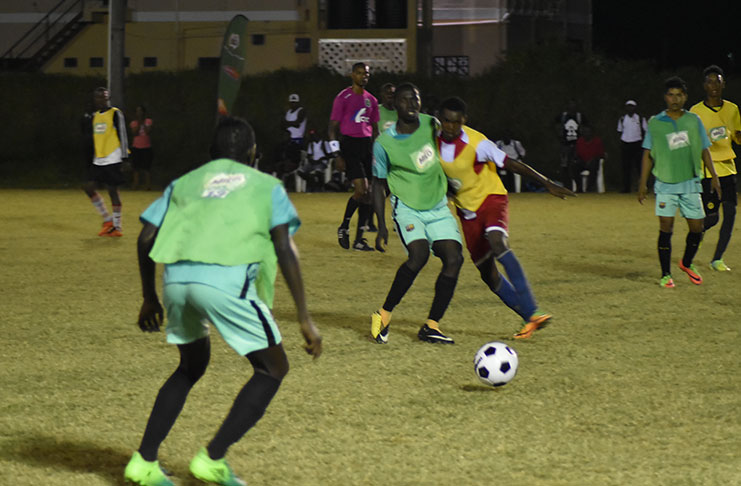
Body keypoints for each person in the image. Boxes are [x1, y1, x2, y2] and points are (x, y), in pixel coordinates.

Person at [124, 117, 322, 486]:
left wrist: (150, 298)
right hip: (225, 282)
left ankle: (143, 461)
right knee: (273, 368)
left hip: (177, 281)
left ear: (211, 153)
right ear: (253, 154)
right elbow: (283, 247)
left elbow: (145, 237)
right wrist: (305, 318)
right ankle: (212, 459)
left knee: (190, 366)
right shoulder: (266, 184)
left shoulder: (185, 182)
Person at [437, 96, 575, 339]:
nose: (449, 127)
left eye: (455, 122)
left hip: (492, 199)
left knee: (498, 242)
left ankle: (533, 309)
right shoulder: (433, 141)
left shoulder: (477, 143)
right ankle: (529, 318)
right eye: (445, 121)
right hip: (467, 212)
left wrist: (547, 183)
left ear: (464, 121)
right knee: (488, 275)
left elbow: (512, 164)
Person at [370, 82, 464, 345]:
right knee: (419, 256)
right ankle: (383, 315)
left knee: (454, 259)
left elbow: (452, 150)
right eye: (405, 100)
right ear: (394, 105)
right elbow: (377, 185)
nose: (411, 104)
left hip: (437, 207)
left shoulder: (432, 124)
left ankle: (431, 326)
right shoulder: (383, 144)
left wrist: (457, 186)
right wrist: (380, 226)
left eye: (416, 99)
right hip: (408, 208)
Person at [638, 76, 721, 288]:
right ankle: (666, 274)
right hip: (665, 183)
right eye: (670, 95)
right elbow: (647, 154)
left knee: (697, 228)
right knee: (666, 227)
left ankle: (686, 262)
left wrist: (714, 176)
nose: (674, 99)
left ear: (685, 97)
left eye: (679, 95)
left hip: (691, 182)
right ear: (665, 97)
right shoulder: (656, 123)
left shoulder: (694, 121)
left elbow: (704, 149)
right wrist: (642, 183)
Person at [689, 65, 741, 272]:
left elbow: (737, 135)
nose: (714, 86)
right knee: (712, 218)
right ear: (704, 85)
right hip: (707, 171)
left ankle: (717, 259)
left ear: (723, 84)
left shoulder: (732, 109)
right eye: (710, 81)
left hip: (728, 169)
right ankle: (696, 239)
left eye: (717, 81)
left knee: (730, 214)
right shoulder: (696, 111)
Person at [328, 62, 380, 251]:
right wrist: (337, 154)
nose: (363, 76)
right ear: (352, 75)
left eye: (366, 73)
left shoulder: (372, 100)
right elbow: (332, 128)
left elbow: (375, 130)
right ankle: (343, 226)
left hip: (367, 147)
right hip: (349, 145)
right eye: (359, 73)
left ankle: (359, 239)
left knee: (367, 195)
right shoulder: (343, 97)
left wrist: (377, 153)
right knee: (361, 189)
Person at [83, 86, 129, 237]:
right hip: (99, 159)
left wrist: (125, 158)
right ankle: (107, 220)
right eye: (97, 97)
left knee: (112, 191)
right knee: (88, 187)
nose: (100, 100)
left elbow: (123, 134)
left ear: (108, 97)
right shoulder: (95, 116)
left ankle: (117, 227)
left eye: (103, 97)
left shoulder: (115, 113)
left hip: (113, 157)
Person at [554, 99, 587, 187]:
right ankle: (567, 187)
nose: (572, 107)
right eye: (570, 105)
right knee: (565, 166)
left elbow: (587, 127)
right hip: (566, 145)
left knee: (576, 166)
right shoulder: (563, 116)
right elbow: (554, 124)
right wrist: (559, 134)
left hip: (578, 145)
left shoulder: (579, 116)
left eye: (574, 105)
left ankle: (579, 187)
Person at [617, 100, 647, 193]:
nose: (630, 108)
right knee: (626, 167)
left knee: (640, 167)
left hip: (637, 144)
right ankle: (626, 188)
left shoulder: (640, 118)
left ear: (635, 108)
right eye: (628, 106)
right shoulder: (622, 119)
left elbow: (646, 130)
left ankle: (642, 187)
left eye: (632, 106)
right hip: (626, 143)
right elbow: (620, 131)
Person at [573, 125, 606, 192]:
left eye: (588, 132)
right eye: (585, 132)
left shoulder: (597, 141)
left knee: (594, 165)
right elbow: (577, 154)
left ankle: (589, 189)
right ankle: (579, 188)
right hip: (583, 162)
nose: (587, 134)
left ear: (592, 133)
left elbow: (601, 155)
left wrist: (592, 159)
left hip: (593, 162)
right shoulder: (580, 141)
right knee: (574, 166)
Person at [129, 105, 154, 190]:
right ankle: (136, 184)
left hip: (146, 147)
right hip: (136, 147)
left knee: (146, 167)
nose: (139, 113)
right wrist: (139, 123)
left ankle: (148, 185)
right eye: (137, 111)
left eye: (140, 111)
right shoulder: (133, 123)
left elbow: (147, 132)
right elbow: (134, 133)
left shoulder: (148, 121)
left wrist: (143, 122)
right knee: (136, 167)